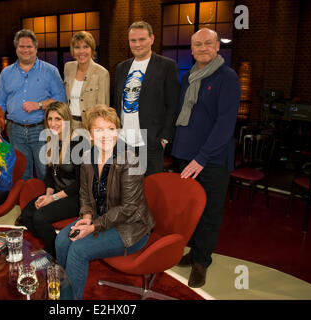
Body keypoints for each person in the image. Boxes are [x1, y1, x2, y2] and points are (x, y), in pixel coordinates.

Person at [55, 104, 155, 300]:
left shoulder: (130, 159)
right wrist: (86, 217)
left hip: (130, 228)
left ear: (117, 131)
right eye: (98, 130)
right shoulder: (86, 158)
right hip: (101, 218)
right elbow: (84, 194)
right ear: (90, 134)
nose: (106, 135)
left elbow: (129, 209)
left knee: (78, 250)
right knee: (61, 241)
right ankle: (65, 297)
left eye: (110, 129)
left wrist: (93, 227)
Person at [171, 28, 240, 288]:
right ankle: (195, 251)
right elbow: (183, 115)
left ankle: (202, 262)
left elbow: (225, 124)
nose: (202, 48)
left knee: (209, 212)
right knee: (192, 211)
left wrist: (201, 158)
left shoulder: (227, 77)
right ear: (191, 49)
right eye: (197, 44)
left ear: (217, 46)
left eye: (208, 43)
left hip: (210, 160)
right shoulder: (189, 76)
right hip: (186, 156)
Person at [0, 29, 66, 181]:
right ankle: (27, 204)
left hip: (41, 128)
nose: (25, 50)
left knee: (44, 171)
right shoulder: (6, 73)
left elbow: (61, 99)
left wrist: (39, 105)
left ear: (36, 48)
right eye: (21, 46)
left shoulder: (50, 71)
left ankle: (46, 203)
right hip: (15, 130)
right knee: (21, 172)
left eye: (29, 47)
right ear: (16, 48)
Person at [16, 101, 86, 257]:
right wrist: (47, 196)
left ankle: (56, 252)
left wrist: (53, 198)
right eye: (50, 119)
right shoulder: (52, 140)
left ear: (66, 120)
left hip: (77, 197)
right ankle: (56, 247)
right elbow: (50, 176)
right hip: (58, 194)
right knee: (26, 215)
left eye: (58, 119)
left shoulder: (79, 143)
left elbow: (81, 184)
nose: (53, 124)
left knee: (40, 217)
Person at [113, 21, 180, 176]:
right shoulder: (121, 67)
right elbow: (118, 102)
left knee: (149, 189)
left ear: (152, 39)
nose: (137, 44)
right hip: (123, 140)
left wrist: (165, 139)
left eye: (142, 39)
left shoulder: (167, 66)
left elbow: (173, 104)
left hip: (150, 141)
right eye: (133, 40)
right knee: (125, 187)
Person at [64, 31, 110, 130]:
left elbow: (103, 107)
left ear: (92, 49)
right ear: (73, 50)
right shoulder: (68, 67)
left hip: (90, 127)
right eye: (77, 47)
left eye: (86, 47)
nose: (81, 51)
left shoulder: (102, 73)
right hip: (70, 125)